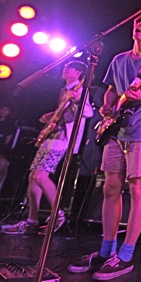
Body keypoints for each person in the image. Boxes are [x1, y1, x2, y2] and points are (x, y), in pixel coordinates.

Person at [68, 12, 141, 281]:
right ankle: (106, 251)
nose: (138, 28)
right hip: (116, 129)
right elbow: (112, 90)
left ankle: (125, 255)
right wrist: (106, 106)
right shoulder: (119, 59)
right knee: (110, 187)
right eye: (137, 25)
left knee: (137, 187)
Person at [2, 61, 93, 235]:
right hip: (51, 136)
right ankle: (32, 219)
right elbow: (65, 112)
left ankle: (59, 214)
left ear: (78, 72)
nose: (65, 69)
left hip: (62, 140)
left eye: (69, 68)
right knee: (33, 176)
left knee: (40, 175)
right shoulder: (64, 90)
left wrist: (77, 100)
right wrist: (51, 116)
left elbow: (88, 112)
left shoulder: (80, 90)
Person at [0, 101, 17, 195]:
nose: (4, 111)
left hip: (2, 151)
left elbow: (8, 139)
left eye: (6, 110)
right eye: (2, 109)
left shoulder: (9, 125)